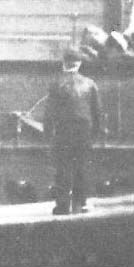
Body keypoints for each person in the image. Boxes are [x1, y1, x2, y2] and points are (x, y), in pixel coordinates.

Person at [45, 49, 100, 215]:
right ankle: (81, 203)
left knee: (63, 167)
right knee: (81, 166)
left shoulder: (56, 84)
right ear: (80, 64)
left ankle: (62, 205)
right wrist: (94, 135)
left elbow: (49, 113)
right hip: (84, 130)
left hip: (64, 130)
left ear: (64, 63)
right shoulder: (90, 84)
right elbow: (97, 112)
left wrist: (48, 135)